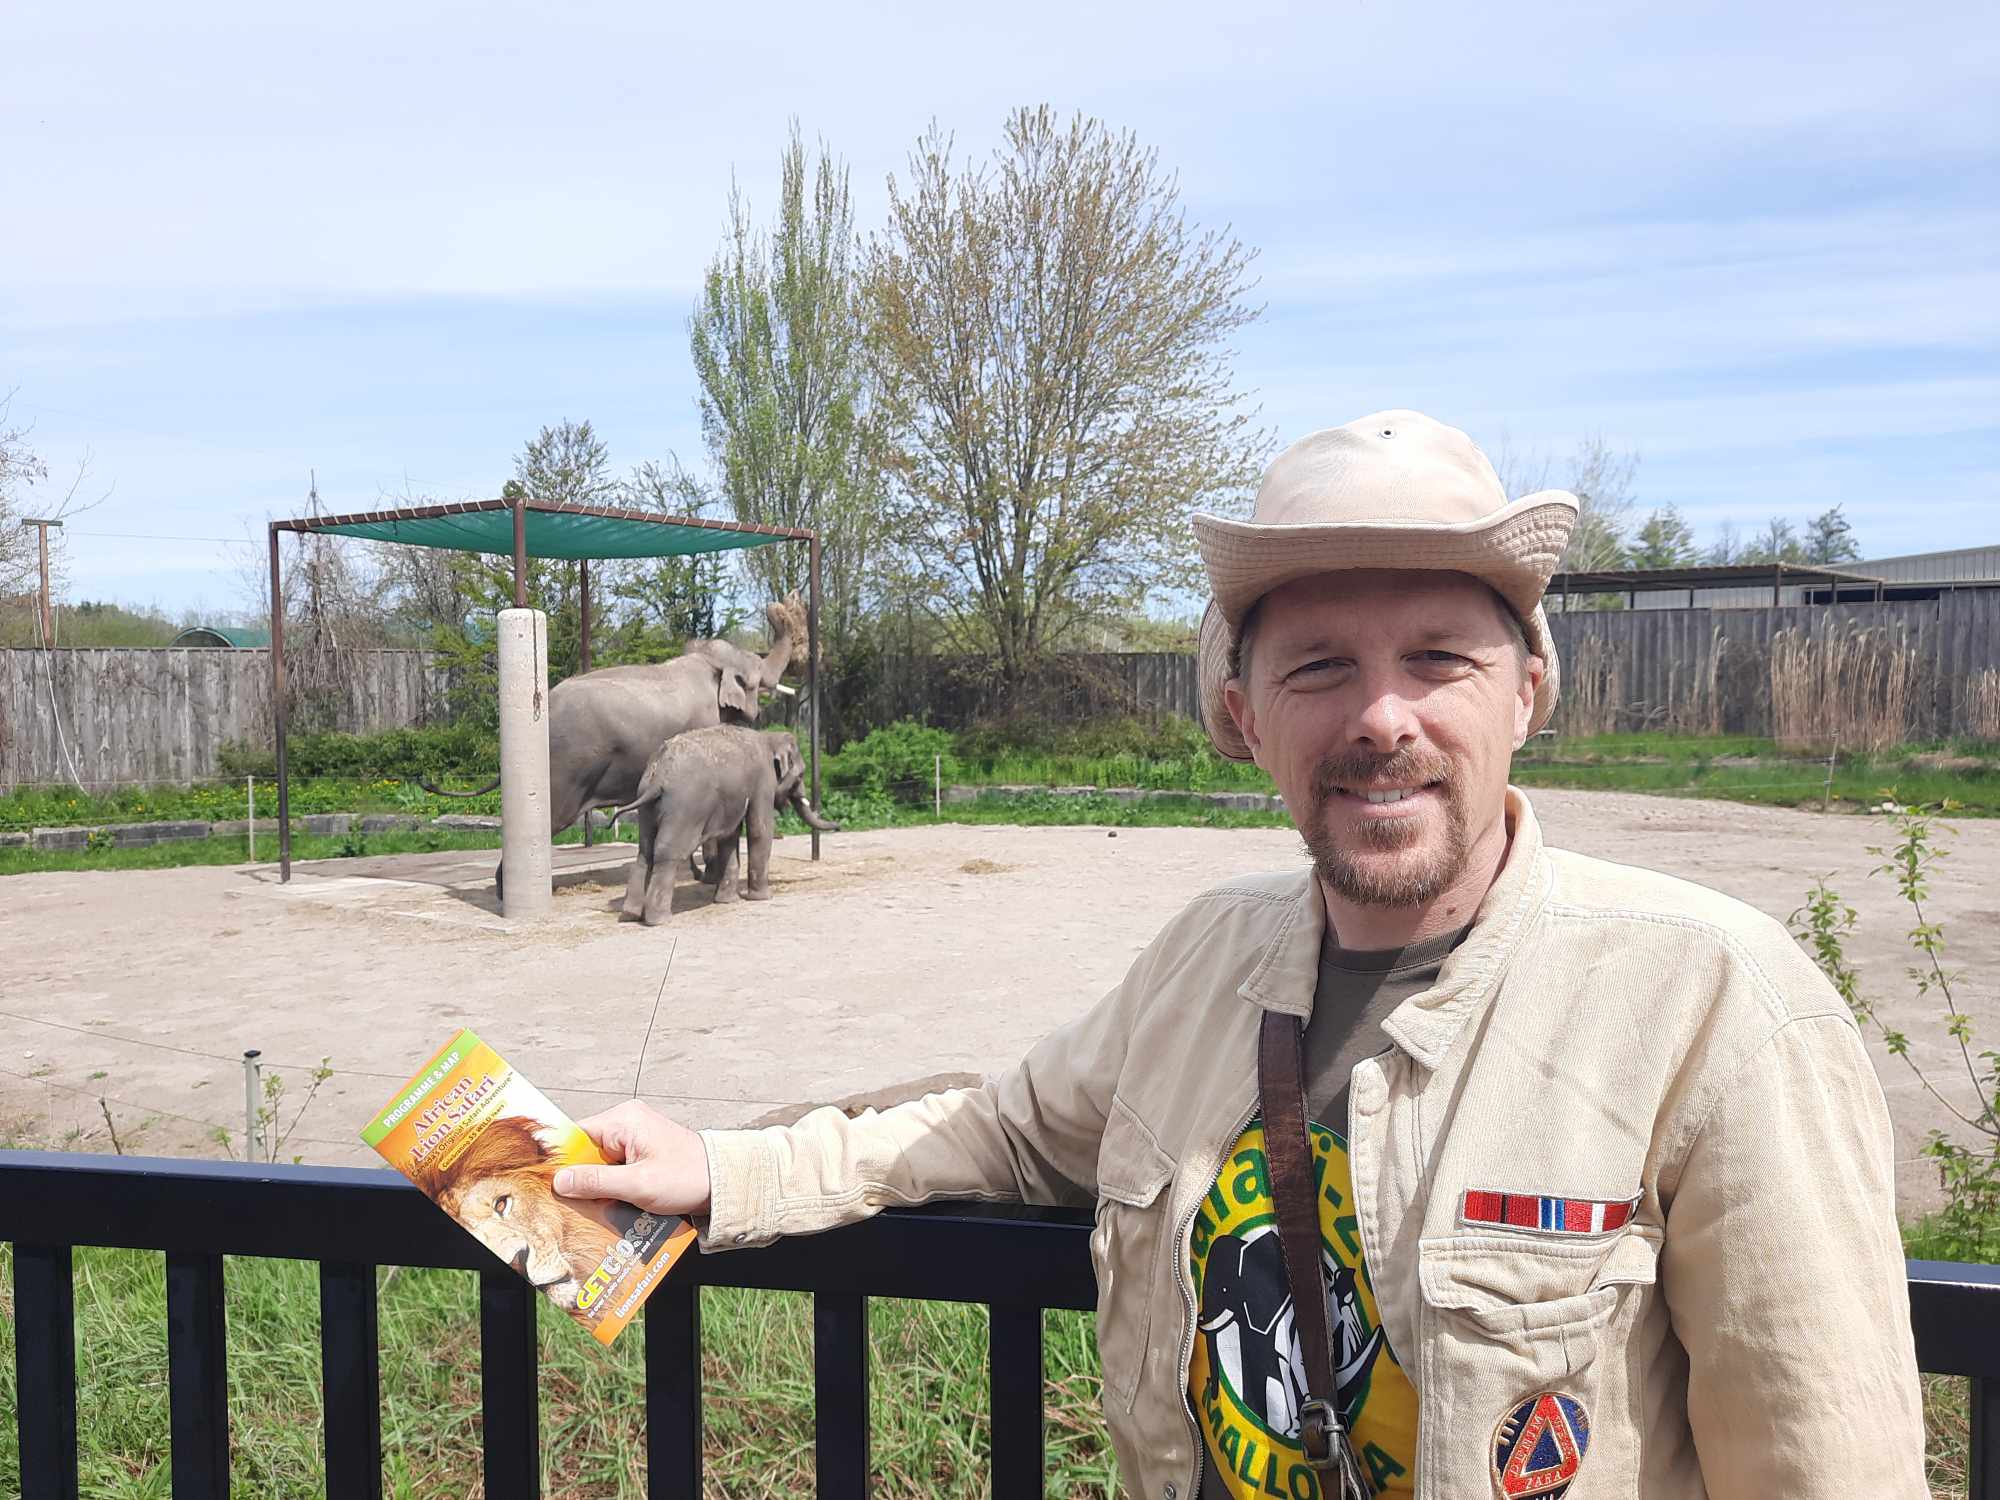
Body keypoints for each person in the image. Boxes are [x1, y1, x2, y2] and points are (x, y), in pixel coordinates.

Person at [554, 411, 1926, 1498]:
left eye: (1439, 658)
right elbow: (997, 1135)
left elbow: (1821, 1463)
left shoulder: (1716, 1007)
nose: (1382, 716)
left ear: (1531, 692)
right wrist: (722, 1171)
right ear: (1243, 714)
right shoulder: (1207, 960)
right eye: (1319, 666)